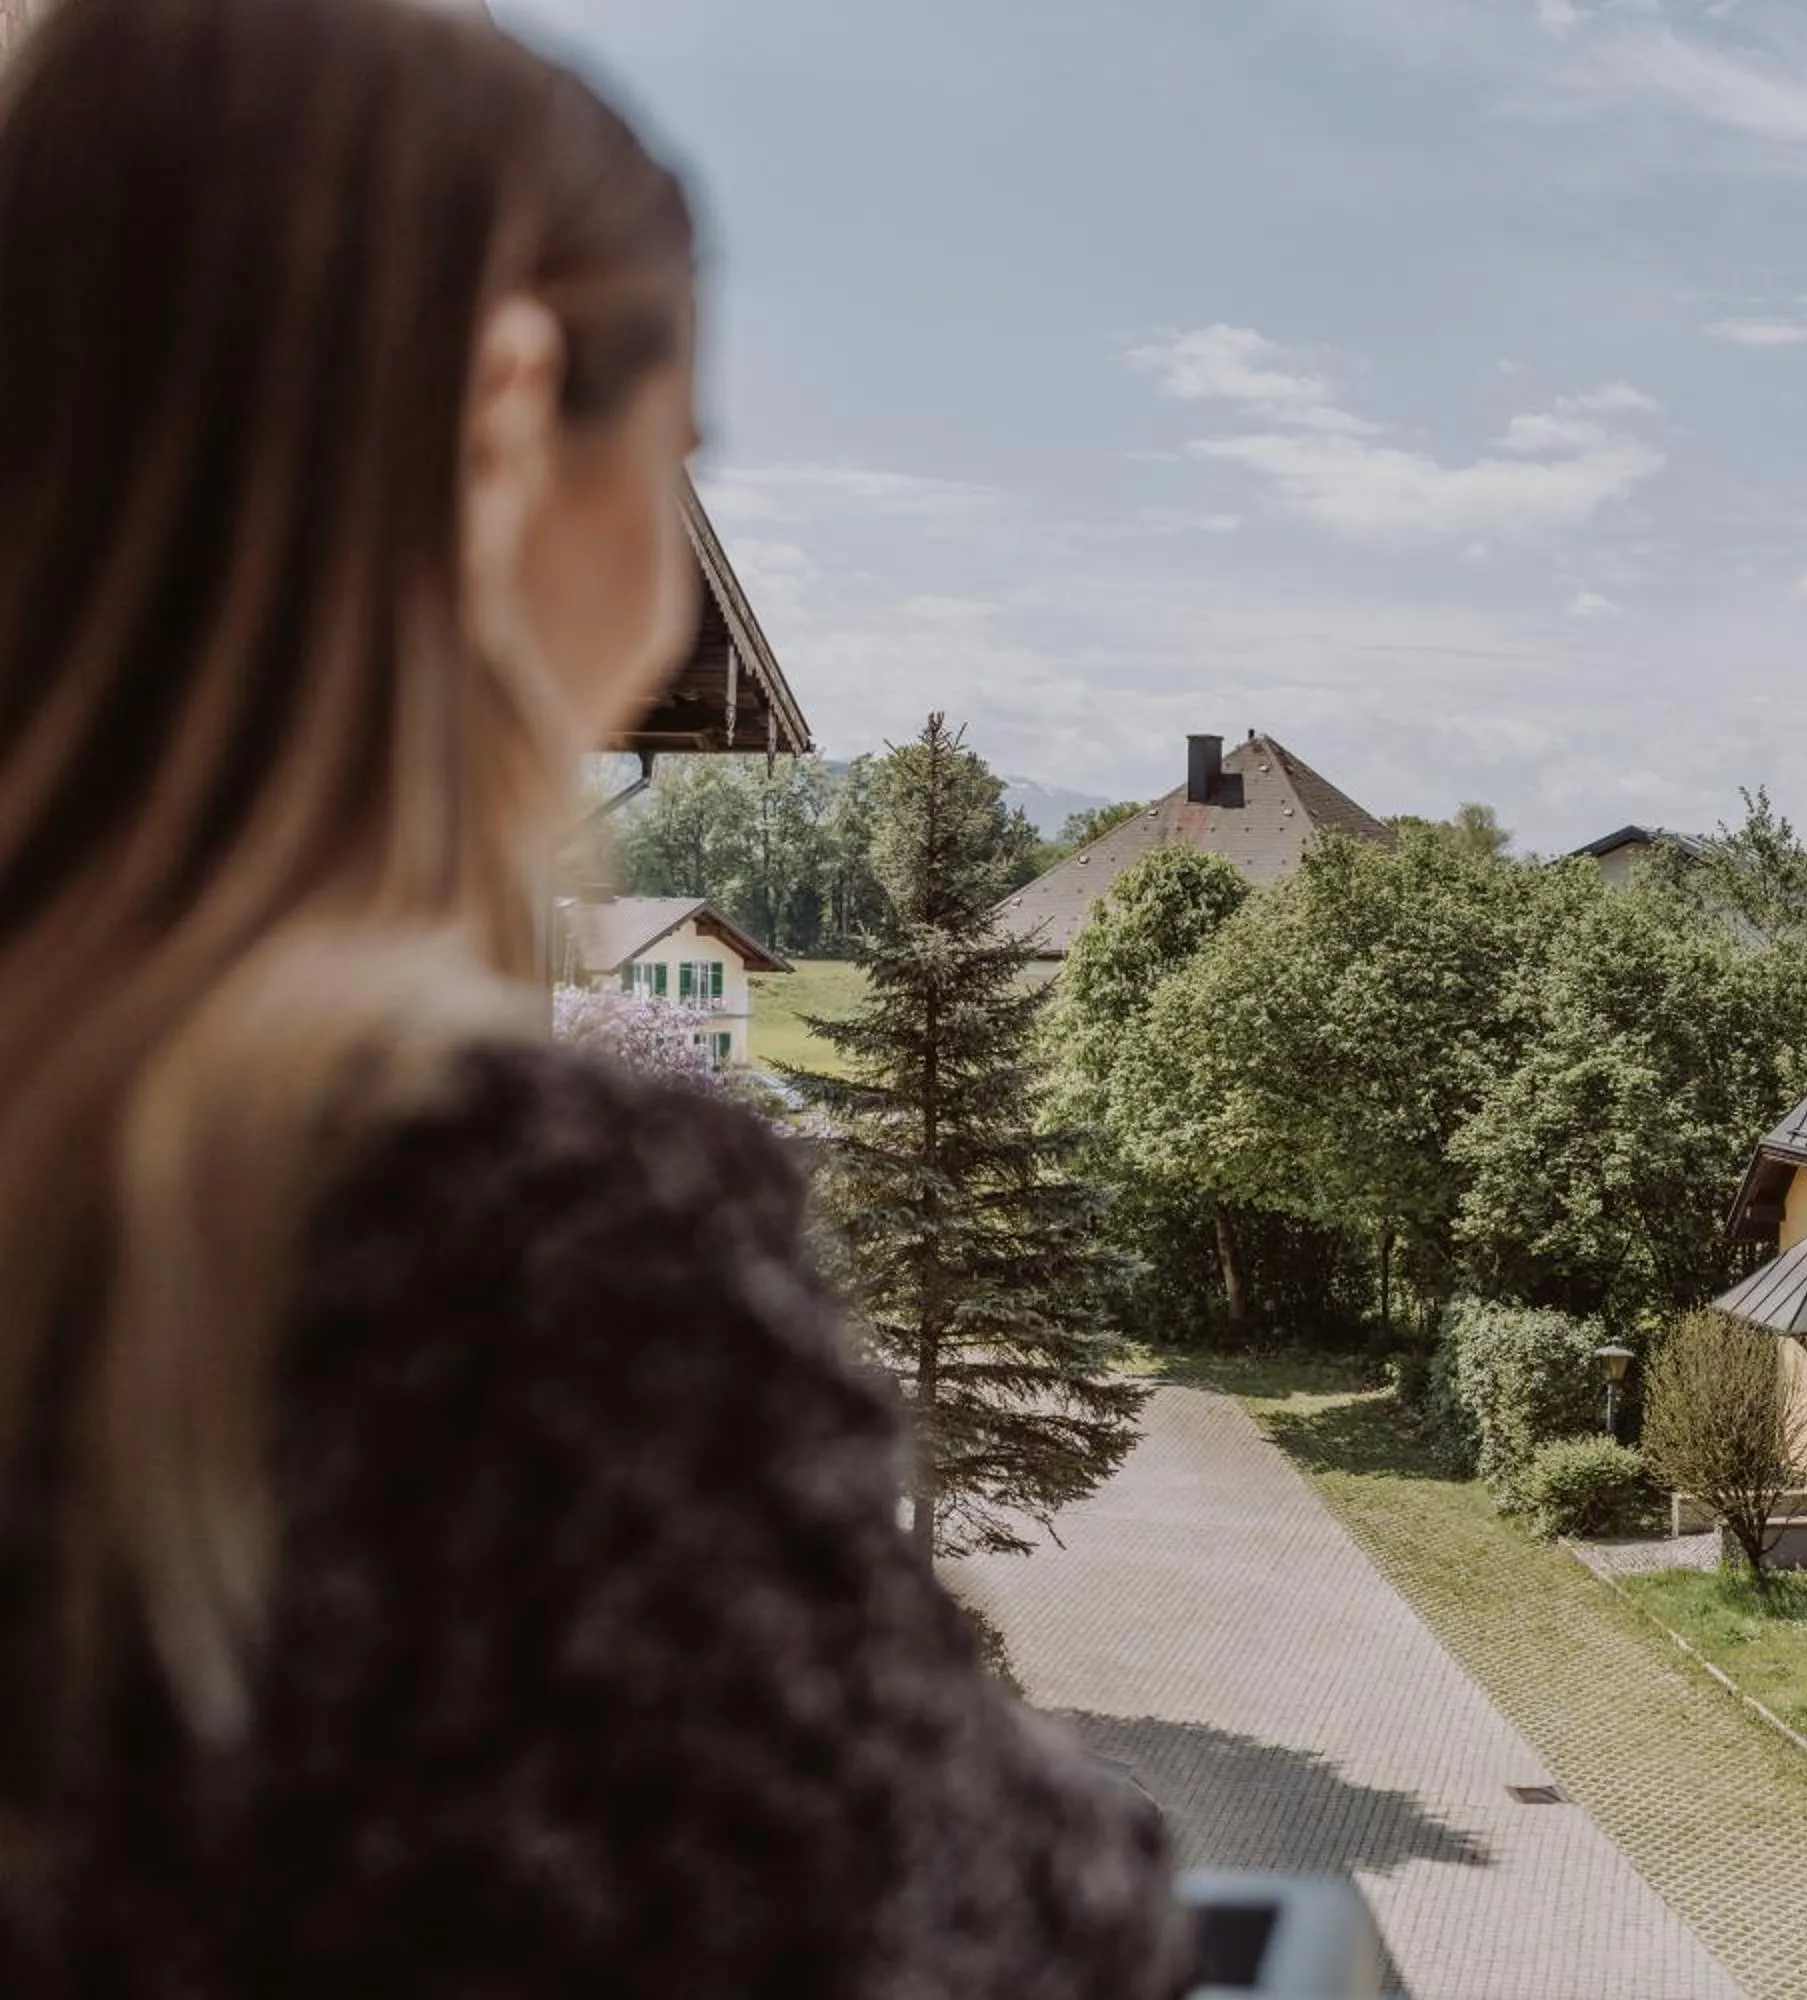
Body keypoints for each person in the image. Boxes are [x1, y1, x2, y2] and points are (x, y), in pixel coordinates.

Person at [0, 1, 1188, 1992]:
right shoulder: (499, 1228)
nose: (666, 589)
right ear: (501, 416)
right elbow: (1000, 1938)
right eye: (681, 456)